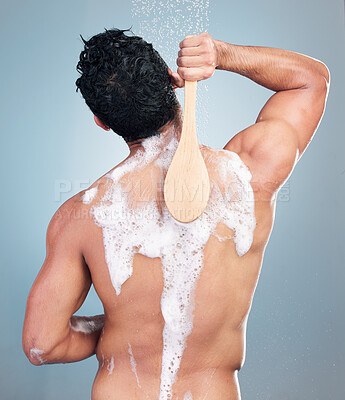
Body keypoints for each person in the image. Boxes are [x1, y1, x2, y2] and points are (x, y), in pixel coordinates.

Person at [22, 28, 330, 400]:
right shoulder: (248, 175)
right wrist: (221, 54)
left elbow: (43, 344)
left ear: (101, 122)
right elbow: (311, 82)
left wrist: (118, 325)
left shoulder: (79, 217)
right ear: (172, 79)